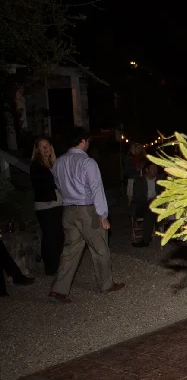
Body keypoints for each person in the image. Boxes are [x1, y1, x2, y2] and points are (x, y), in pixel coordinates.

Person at [49, 129, 125, 303]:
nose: (89, 144)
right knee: (100, 249)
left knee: (70, 251)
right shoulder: (87, 162)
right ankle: (106, 284)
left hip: (68, 210)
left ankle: (58, 290)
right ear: (82, 141)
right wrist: (102, 215)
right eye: (88, 141)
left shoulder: (58, 162)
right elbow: (96, 189)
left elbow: (58, 186)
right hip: (86, 210)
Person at [30, 137, 64, 276]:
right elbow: (42, 185)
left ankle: (57, 264)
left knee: (57, 235)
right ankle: (51, 267)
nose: (45, 148)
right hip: (46, 206)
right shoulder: (36, 165)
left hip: (57, 204)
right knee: (50, 236)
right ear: (37, 149)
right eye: (42, 146)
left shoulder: (54, 163)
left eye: (47, 145)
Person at [131, 161, 161, 247]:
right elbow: (136, 198)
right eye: (152, 168)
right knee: (149, 211)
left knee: (151, 211)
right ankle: (148, 237)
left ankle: (146, 240)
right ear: (147, 170)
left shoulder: (159, 181)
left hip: (156, 206)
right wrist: (148, 200)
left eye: (156, 168)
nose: (155, 170)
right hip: (142, 206)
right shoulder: (139, 181)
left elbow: (164, 194)